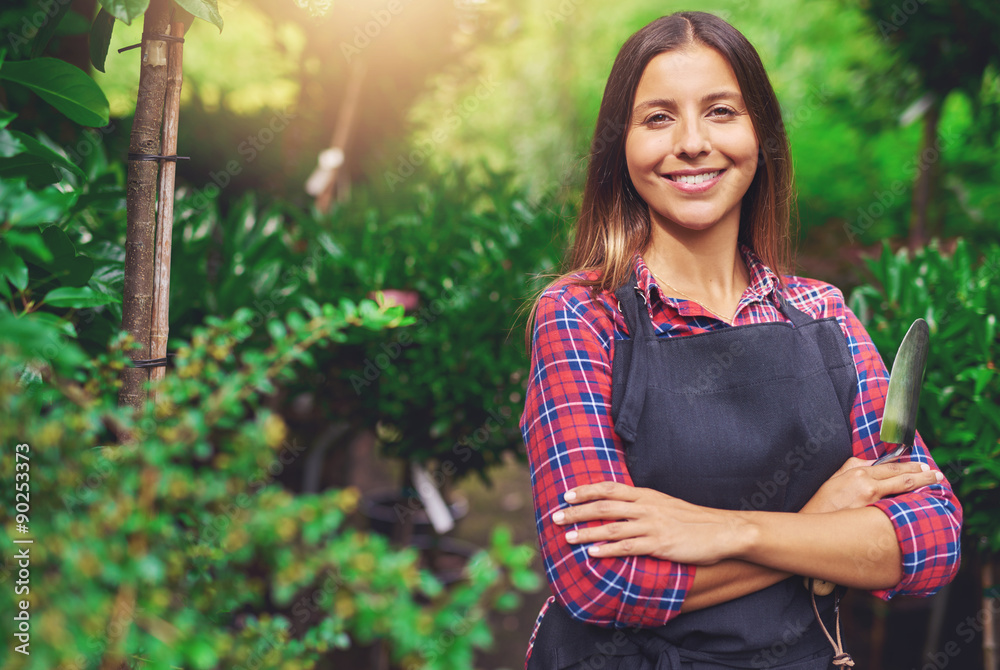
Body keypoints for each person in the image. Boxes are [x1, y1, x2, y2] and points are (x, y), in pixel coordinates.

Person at [520, 11, 962, 670]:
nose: (693, 143)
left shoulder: (823, 314)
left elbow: (931, 539)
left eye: (721, 111)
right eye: (659, 118)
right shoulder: (583, 316)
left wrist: (733, 529)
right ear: (621, 145)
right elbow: (600, 580)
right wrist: (822, 529)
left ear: (763, 136)